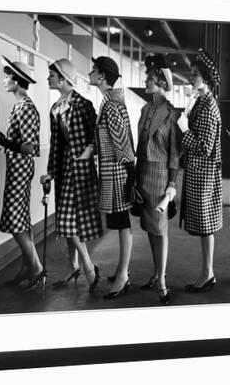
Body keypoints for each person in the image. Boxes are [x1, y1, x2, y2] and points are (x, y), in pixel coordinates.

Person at [0, 56, 44, 290]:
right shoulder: (20, 106)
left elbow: (28, 147)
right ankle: (27, 267)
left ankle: (36, 268)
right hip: (17, 166)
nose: (4, 80)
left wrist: (3, 141)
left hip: (20, 167)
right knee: (20, 219)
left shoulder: (25, 108)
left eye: (7, 77)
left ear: (17, 82)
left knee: (14, 220)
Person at [40, 59, 103, 291]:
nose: (48, 78)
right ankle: (73, 266)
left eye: (52, 75)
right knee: (68, 221)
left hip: (83, 170)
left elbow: (97, 138)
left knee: (69, 221)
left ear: (64, 78)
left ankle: (87, 265)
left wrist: (89, 152)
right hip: (66, 169)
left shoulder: (84, 105)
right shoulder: (55, 108)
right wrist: (49, 172)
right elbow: (55, 144)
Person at [83, 56, 136, 299]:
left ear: (102, 76)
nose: (91, 73)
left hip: (116, 172)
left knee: (122, 223)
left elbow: (122, 143)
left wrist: (129, 173)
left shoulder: (111, 104)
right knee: (119, 223)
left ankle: (124, 275)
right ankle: (121, 270)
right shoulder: (110, 101)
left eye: (94, 70)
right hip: (114, 171)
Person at [135, 54, 182, 305]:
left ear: (163, 83)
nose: (146, 80)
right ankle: (156, 272)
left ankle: (162, 281)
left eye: (151, 78)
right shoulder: (145, 108)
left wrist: (172, 184)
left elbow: (175, 152)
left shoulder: (171, 113)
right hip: (142, 172)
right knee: (149, 229)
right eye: (148, 77)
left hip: (161, 175)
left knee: (160, 229)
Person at [176, 48, 223, 293]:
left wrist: (185, 129)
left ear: (205, 79)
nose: (190, 78)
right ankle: (207, 272)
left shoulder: (208, 107)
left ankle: (207, 273)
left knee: (206, 226)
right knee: (205, 226)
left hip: (204, 174)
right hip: (199, 173)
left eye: (194, 75)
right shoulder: (201, 102)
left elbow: (204, 147)